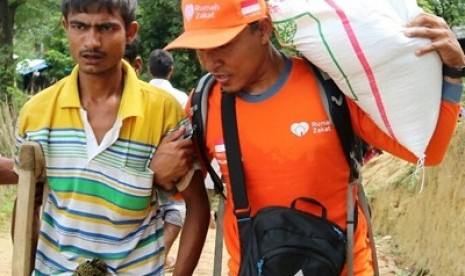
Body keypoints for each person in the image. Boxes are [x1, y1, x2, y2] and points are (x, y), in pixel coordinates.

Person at [164, 0, 465, 274]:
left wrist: (452, 72)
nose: (209, 62)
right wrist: (165, 174)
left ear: (263, 30)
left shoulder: (331, 88)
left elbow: (430, 152)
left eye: (222, 45)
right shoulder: (204, 103)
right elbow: (183, 194)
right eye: (200, 49)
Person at [13, 0, 209, 275]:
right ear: (65, 27)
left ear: (130, 32)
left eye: (106, 27)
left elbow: (198, 207)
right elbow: (26, 205)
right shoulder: (36, 113)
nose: (92, 42)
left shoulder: (162, 111)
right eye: (79, 26)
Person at [147, 48, 189, 272]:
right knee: (176, 208)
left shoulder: (138, 95)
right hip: (172, 166)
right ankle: (161, 255)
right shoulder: (182, 98)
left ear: (147, 69)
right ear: (171, 71)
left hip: (140, 162)